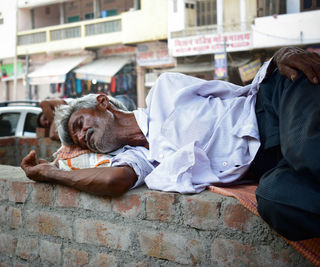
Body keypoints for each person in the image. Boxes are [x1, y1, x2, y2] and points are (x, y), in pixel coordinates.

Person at [22, 47, 320, 241]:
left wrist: (281, 56)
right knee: (278, 201)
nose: (81, 135)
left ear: (103, 103)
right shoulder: (141, 160)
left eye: (79, 124)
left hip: (274, 106)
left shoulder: (165, 89)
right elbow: (112, 180)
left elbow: (243, 91)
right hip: (269, 163)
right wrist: (50, 173)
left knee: (305, 148)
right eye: (78, 140)